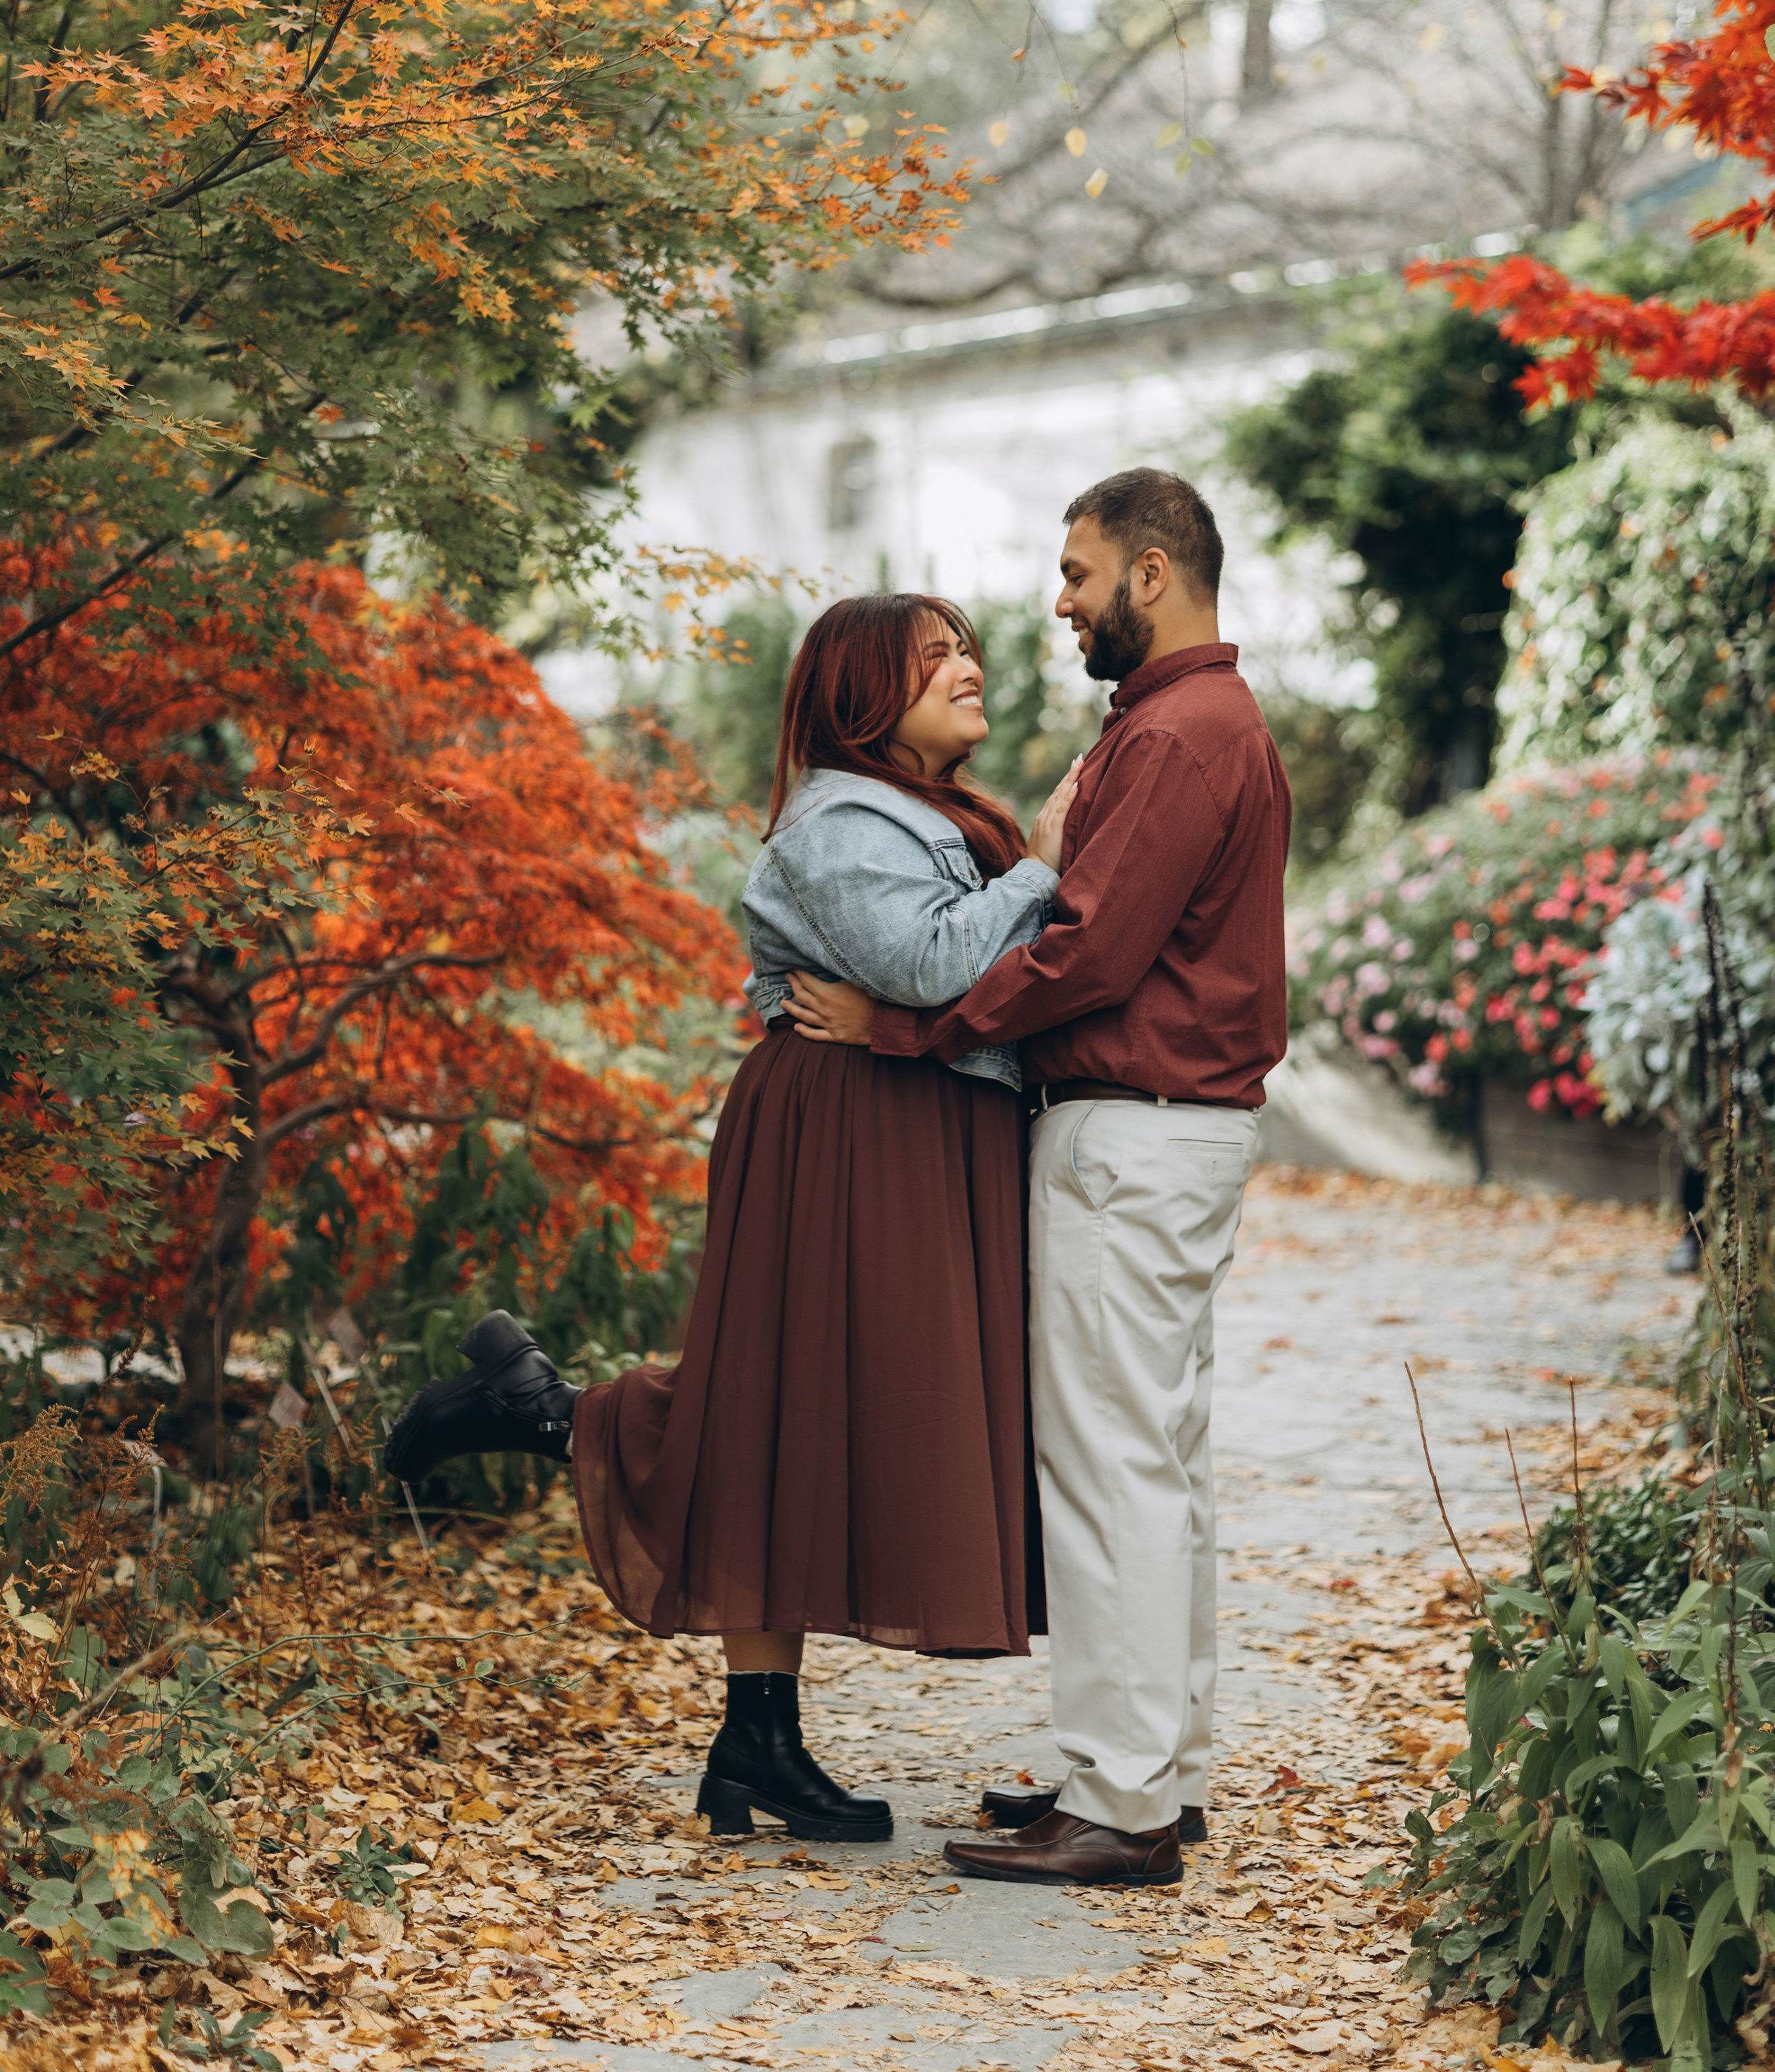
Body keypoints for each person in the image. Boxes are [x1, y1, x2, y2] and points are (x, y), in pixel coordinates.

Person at [384, 594, 1081, 1846]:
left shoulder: (934, 813)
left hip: (910, 1121)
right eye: (938, 657)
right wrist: (1047, 866)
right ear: (865, 693)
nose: (971, 668)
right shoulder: (839, 819)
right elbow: (930, 966)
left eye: (967, 647)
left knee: (796, 1417)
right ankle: (542, 1415)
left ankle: (755, 1739)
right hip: (848, 1125)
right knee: (778, 1404)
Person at [786, 466, 1291, 1889]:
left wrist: (901, 1028)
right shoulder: (1184, 722)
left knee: (1110, 1463)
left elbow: (1080, 953)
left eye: (1074, 574)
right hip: (1162, 1130)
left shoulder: (1183, 733)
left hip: (1132, 1129)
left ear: (1147, 572)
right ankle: (1140, 1770)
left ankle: (1122, 1806)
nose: (1054, 602)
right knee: (1153, 1462)